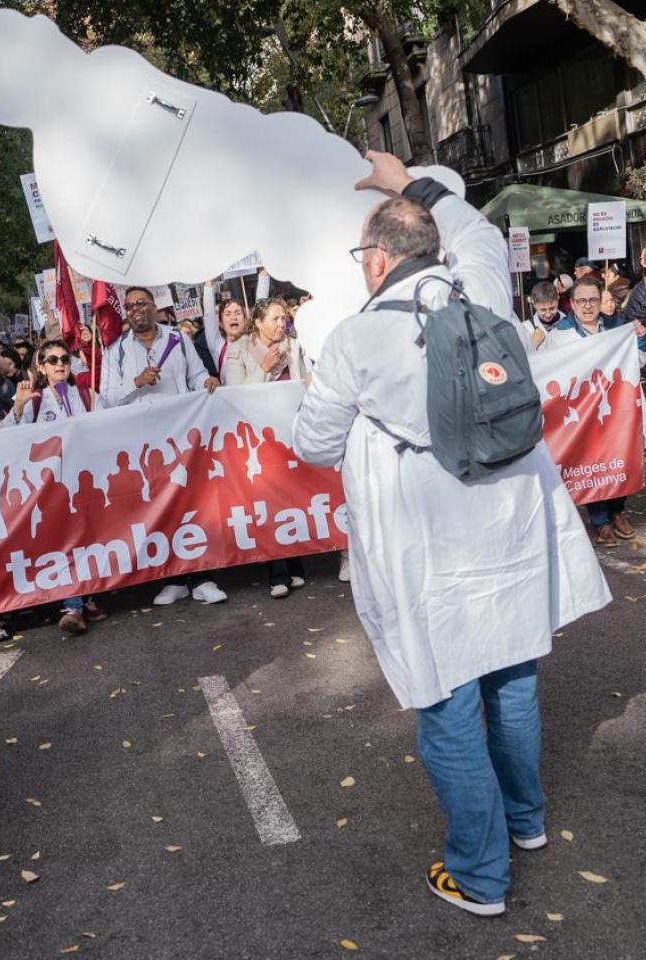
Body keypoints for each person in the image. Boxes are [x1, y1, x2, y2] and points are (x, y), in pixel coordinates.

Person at [293, 151, 609, 918]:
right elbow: (477, 230)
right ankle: (526, 824)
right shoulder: (487, 289)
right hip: (509, 530)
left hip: (429, 549)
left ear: (375, 260)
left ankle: (480, 875)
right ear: (431, 249)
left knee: (448, 699)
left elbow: (312, 445)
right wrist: (406, 180)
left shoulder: (355, 340)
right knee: (512, 675)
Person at [102, 285, 226, 607]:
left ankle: (202, 576)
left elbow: (196, 375)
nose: (135, 309)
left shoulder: (178, 339)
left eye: (141, 303)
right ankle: (173, 578)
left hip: (182, 439)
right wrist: (136, 382)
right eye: (129, 306)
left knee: (192, 503)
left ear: (155, 307)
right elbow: (106, 399)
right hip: (146, 447)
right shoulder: (115, 351)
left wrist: (206, 382)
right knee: (162, 508)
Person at [221, 297, 314, 597]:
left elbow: (304, 382)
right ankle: (278, 573)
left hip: (290, 434)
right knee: (268, 504)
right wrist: (262, 369)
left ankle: (296, 564)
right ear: (258, 322)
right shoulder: (238, 350)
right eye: (274, 319)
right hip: (258, 440)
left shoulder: (295, 346)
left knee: (292, 501)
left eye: (284, 318)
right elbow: (233, 395)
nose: (281, 324)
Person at [15, 339, 106, 632]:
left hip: (86, 480)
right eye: (52, 360)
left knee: (88, 539)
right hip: (53, 486)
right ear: (40, 367)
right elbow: (11, 438)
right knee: (66, 541)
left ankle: (87, 595)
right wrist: (18, 408)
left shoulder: (86, 394)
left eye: (64, 359)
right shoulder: (36, 401)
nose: (60, 365)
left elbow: (111, 423)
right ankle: (74, 605)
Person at [540, 276, 636, 547]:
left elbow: (637, 359)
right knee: (591, 464)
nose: (587, 306)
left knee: (619, 458)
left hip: (614, 408)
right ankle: (600, 522)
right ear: (571, 304)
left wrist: (636, 339)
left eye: (593, 300)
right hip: (581, 411)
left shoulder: (616, 327)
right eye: (581, 301)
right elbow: (550, 371)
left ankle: (617, 510)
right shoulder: (560, 335)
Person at [525, 281, 566, 349]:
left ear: (558, 299)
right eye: (543, 310)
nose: (548, 314)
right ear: (534, 304)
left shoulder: (570, 323)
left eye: (552, 308)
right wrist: (533, 345)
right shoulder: (526, 328)